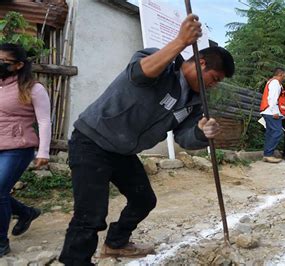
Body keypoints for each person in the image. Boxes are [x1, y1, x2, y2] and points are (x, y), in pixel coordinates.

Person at [58, 15, 235, 265]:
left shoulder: (195, 103)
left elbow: (185, 137)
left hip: (123, 152)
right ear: (201, 63)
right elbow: (139, 74)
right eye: (214, 79)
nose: (213, 87)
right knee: (91, 215)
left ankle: (115, 243)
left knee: (144, 200)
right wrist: (181, 42)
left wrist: (201, 133)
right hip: (92, 142)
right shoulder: (160, 63)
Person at [0, 43, 51, 256]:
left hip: (18, 148)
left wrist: (43, 151)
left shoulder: (33, 88)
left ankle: (1, 242)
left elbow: (45, 121)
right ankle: (26, 212)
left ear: (19, 65)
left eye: (4, 61)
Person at [260, 67, 285, 163]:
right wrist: (275, 111)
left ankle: (266, 155)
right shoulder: (275, 83)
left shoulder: (271, 82)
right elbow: (272, 98)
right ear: (280, 74)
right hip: (271, 112)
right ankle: (268, 154)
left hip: (268, 111)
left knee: (270, 133)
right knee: (277, 132)